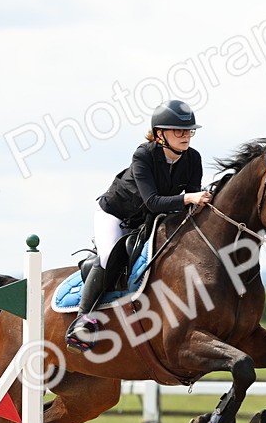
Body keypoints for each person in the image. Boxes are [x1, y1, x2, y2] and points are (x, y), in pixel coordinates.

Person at [65, 99, 213, 352]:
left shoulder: (193, 158)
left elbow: (191, 202)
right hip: (115, 215)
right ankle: (82, 322)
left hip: (148, 221)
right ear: (160, 134)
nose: (186, 136)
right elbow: (154, 201)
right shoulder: (144, 155)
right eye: (179, 130)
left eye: (189, 131)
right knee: (110, 256)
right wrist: (189, 198)